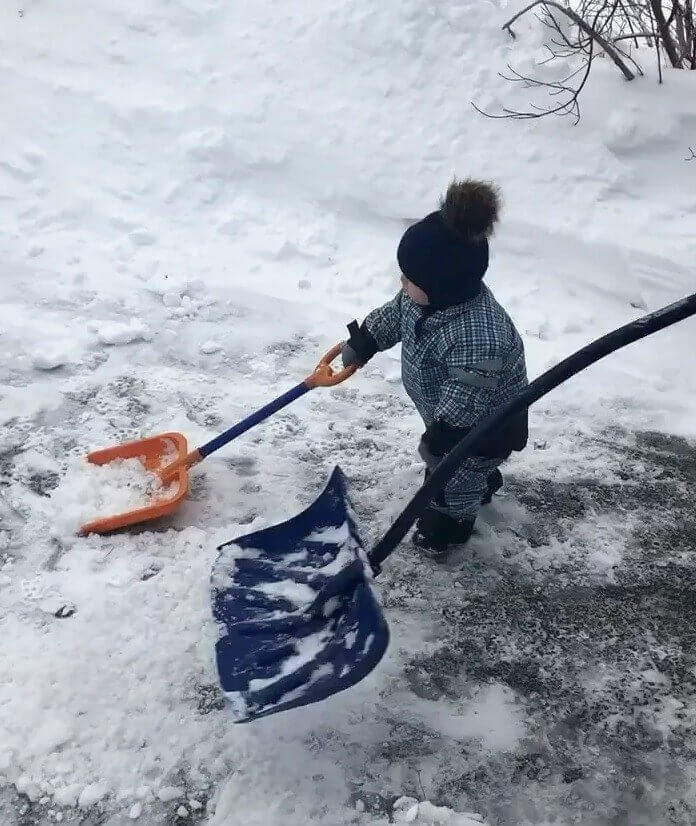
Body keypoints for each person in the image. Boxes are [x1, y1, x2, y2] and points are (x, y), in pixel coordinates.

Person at [341, 179, 528, 560]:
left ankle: (450, 526)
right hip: (445, 417)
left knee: (453, 478)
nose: (402, 283)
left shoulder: (480, 336)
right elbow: (394, 315)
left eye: (409, 279)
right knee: (461, 470)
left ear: (442, 285)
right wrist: (366, 340)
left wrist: (444, 439)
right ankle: (481, 480)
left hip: (480, 430)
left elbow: (468, 397)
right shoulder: (424, 299)